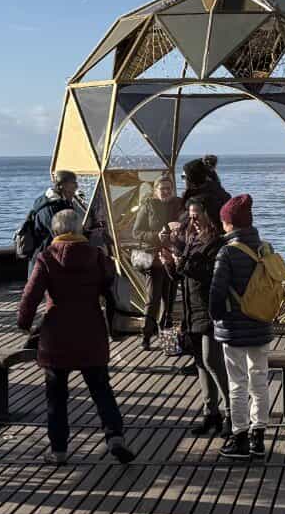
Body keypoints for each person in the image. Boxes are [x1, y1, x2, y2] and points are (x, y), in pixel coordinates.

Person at [15, 208, 136, 467]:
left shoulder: (47, 258)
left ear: (55, 231)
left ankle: (59, 450)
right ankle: (115, 437)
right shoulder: (97, 256)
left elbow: (31, 296)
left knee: (56, 396)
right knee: (101, 389)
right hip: (90, 330)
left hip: (56, 334)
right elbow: (112, 288)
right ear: (80, 229)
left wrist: (24, 323)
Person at [209, 194, 273, 462]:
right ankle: (259, 436)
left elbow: (217, 291)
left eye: (224, 221)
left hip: (234, 327)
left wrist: (217, 317)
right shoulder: (264, 248)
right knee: (259, 380)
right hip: (260, 322)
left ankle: (240, 437)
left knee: (237, 383)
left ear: (230, 223)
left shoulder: (228, 252)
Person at [176, 200, 228, 436]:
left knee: (212, 361)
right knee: (200, 362)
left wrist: (184, 264)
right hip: (191, 308)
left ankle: (232, 413)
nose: (193, 219)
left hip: (208, 309)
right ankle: (211, 413)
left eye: (197, 214)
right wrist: (173, 262)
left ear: (209, 215)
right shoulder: (191, 239)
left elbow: (209, 275)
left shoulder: (216, 242)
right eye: (190, 214)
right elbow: (184, 275)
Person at [23, 171, 83, 272]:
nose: (76, 187)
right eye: (73, 183)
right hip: (43, 263)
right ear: (61, 186)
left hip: (51, 259)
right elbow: (61, 236)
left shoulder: (60, 203)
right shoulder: (50, 208)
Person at [141, 219, 177, 351]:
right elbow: (137, 233)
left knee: (169, 305)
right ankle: (146, 337)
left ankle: (168, 342)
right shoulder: (147, 206)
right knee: (152, 302)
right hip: (155, 264)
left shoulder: (177, 205)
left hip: (172, 262)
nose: (166, 196)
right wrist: (157, 235)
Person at [181, 159, 229, 227]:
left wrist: (177, 226)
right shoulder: (222, 193)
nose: (183, 180)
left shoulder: (198, 201)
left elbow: (189, 224)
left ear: (192, 178)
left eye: (183, 177)